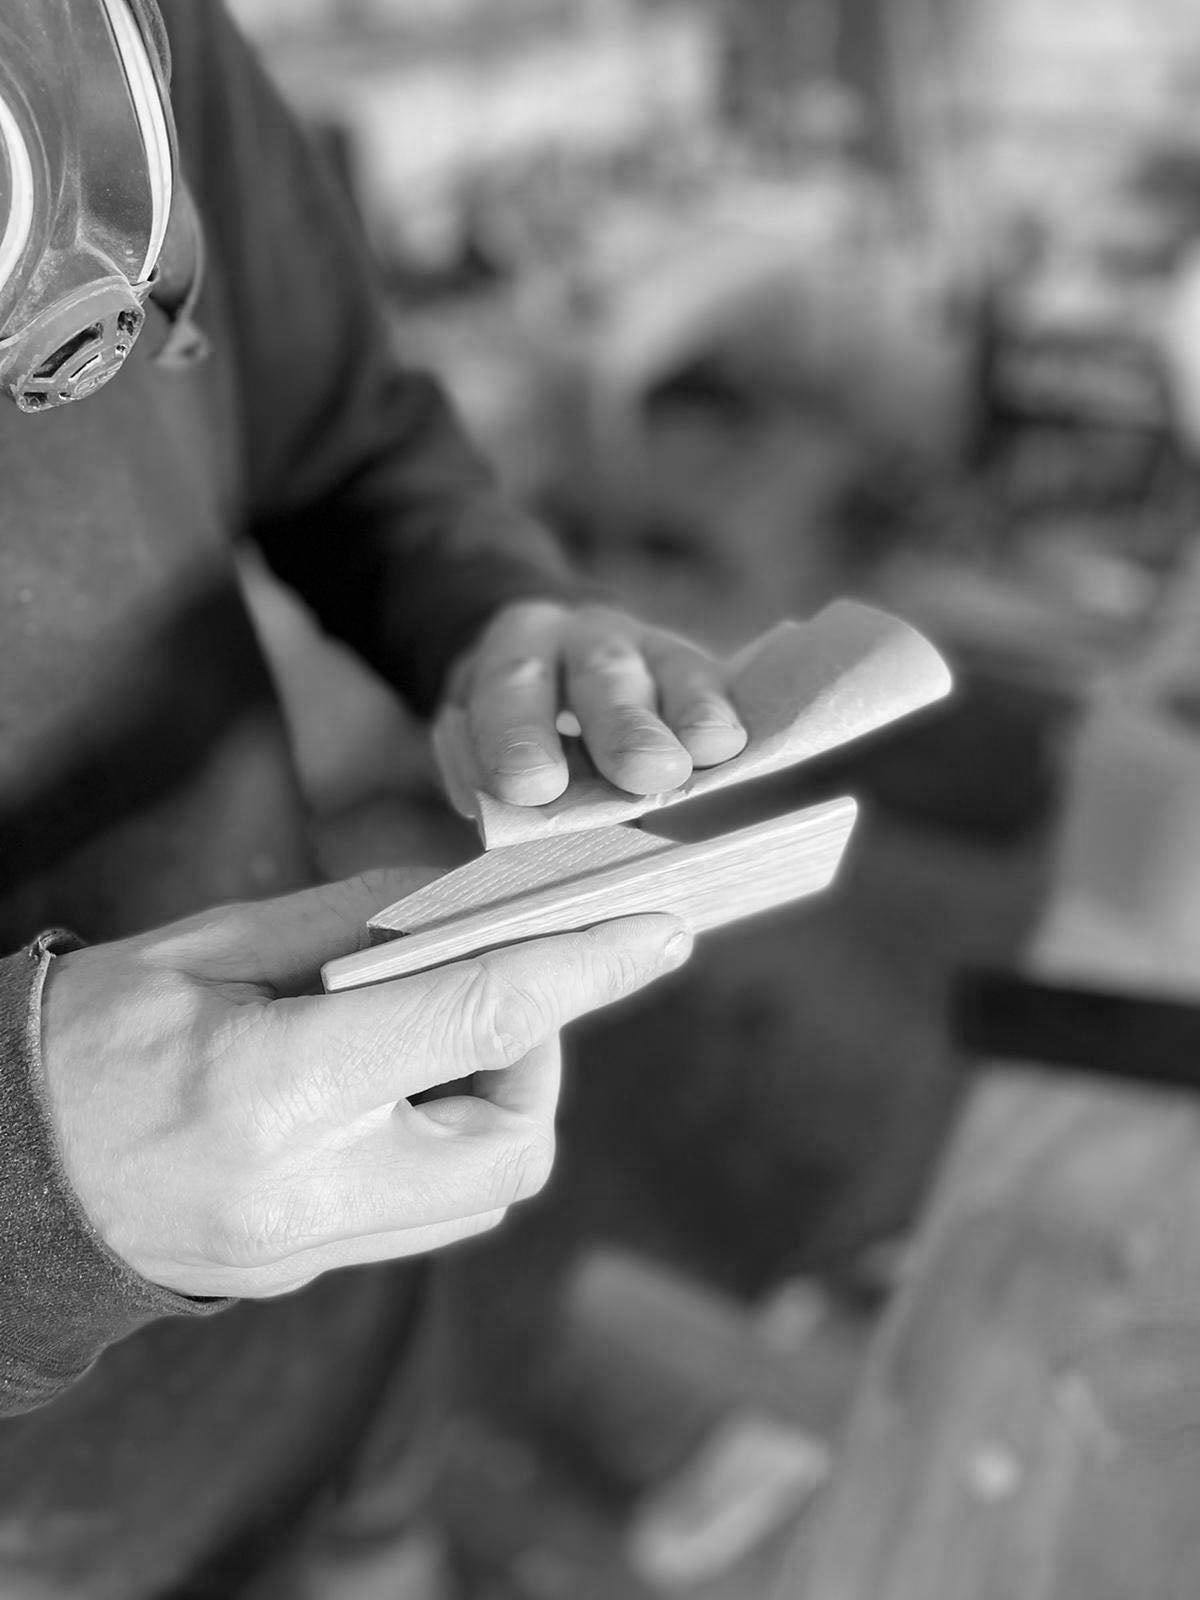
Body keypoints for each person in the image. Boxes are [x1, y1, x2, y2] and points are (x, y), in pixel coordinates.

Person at [0, 4, 750, 1595]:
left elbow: (342, 437)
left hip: (332, 1230)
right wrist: (20, 1194)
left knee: (370, 1540)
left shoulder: (112, 30)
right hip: (34, 1492)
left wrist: (488, 613)